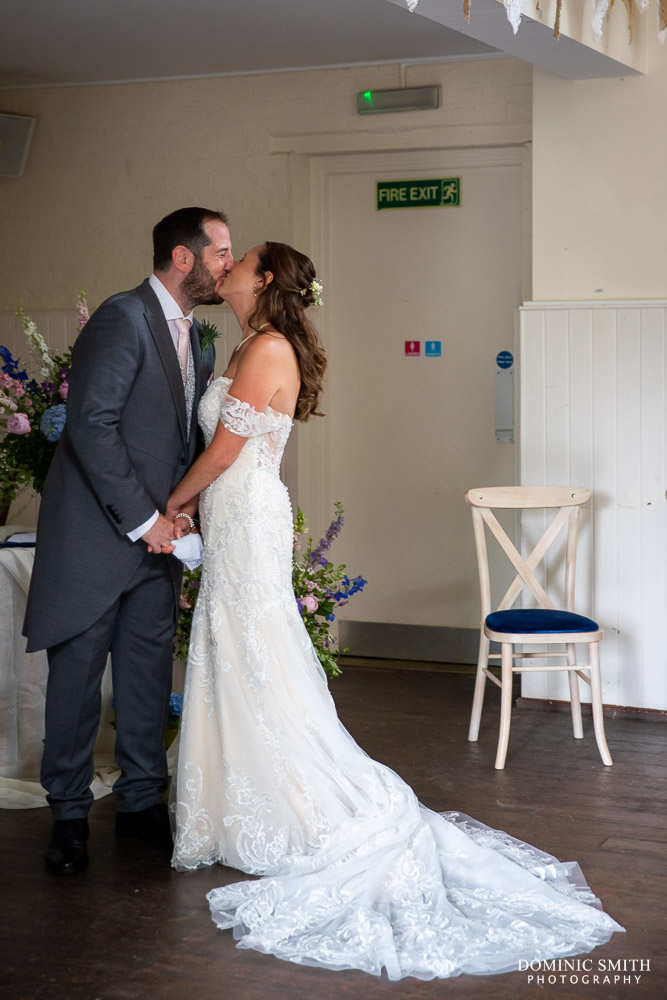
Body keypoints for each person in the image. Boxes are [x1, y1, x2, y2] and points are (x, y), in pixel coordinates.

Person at [168, 241, 623, 980]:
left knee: (255, 648)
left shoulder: (268, 348)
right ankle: (233, 799)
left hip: (244, 511)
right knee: (234, 648)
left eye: (241, 260)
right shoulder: (250, 341)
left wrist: (173, 504)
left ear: (265, 280)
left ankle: (286, 798)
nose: (228, 268)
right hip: (232, 515)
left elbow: (224, 450)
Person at [23, 207, 233, 876]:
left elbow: (185, 443)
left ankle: (142, 804)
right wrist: (146, 520)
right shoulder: (122, 318)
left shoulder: (198, 337)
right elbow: (91, 425)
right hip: (97, 538)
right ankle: (69, 816)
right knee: (76, 684)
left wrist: (184, 516)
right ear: (182, 257)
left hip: (160, 545)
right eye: (220, 251)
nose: (228, 262)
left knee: (145, 677)